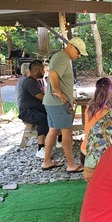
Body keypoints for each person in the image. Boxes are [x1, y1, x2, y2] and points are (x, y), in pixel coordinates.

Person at [42, 37, 87, 172]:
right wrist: (60, 93)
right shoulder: (63, 58)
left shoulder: (59, 56)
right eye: (78, 53)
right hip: (58, 103)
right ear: (72, 46)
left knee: (53, 130)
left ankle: (47, 161)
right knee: (67, 132)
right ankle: (71, 164)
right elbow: (53, 75)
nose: (78, 56)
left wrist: (67, 94)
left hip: (51, 102)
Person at [18, 60, 49, 158]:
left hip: (34, 109)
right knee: (43, 118)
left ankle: (59, 139)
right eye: (42, 70)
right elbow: (42, 97)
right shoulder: (29, 82)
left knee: (53, 114)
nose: (44, 72)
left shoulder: (34, 81)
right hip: (27, 112)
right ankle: (41, 148)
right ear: (36, 70)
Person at [80, 77, 112, 164]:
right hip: (96, 154)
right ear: (110, 92)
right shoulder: (108, 112)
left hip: (84, 150)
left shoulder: (89, 107)